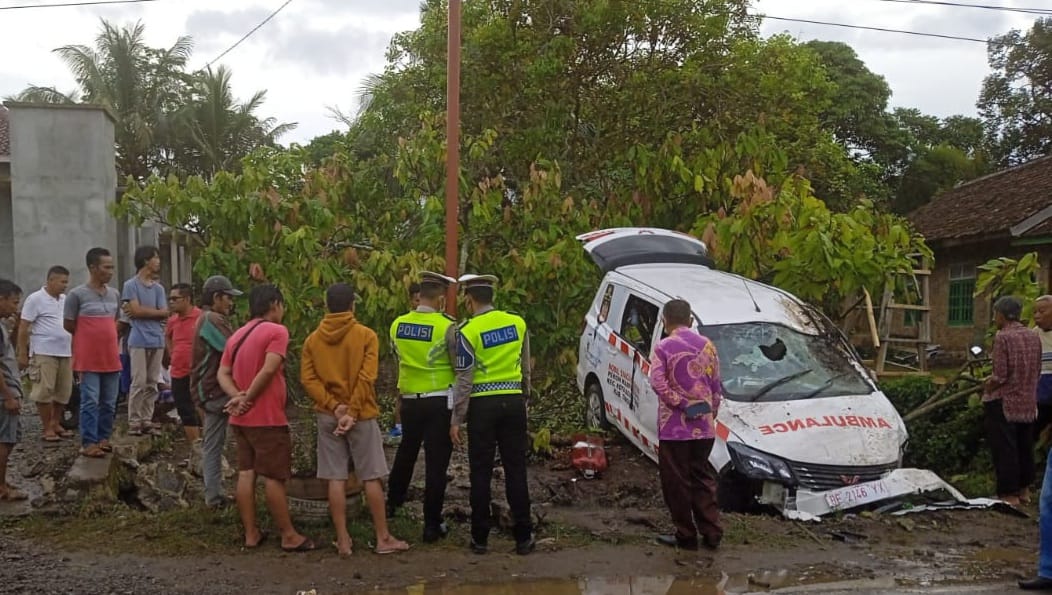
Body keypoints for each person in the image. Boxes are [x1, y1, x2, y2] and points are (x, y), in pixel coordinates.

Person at [301, 282, 409, 557]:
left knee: (335, 477)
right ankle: (382, 537)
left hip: (328, 416)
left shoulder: (312, 340)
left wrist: (334, 406)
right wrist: (351, 411)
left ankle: (344, 540)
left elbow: (308, 380)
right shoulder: (366, 335)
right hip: (361, 415)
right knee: (371, 475)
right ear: (352, 305)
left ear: (326, 306)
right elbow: (367, 377)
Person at [218, 284, 313, 552]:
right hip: (267, 417)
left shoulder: (237, 335)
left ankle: (251, 533)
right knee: (274, 477)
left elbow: (222, 373)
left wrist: (237, 396)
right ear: (274, 304)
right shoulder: (276, 331)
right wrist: (247, 399)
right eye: (282, 305)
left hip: (241, 420)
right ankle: (288, 534)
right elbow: (270, 368)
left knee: (246, 474)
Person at [450, 273, 534, 555]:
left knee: (481, 472)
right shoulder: (517, 322)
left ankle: (480, 538)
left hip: (482, 407)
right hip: (512, 403)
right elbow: (525, 367)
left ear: (470, 299)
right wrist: (525, 399)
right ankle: (523, 536)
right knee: (516, 470)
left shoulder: (468, 331)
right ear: (492, 297)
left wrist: (456, 418)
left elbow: (464, 378)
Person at [386, 272, 457, 543]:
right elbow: (456, 362)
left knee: (406, 451)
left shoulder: (398, 324)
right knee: (436, 462)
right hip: (439, 400)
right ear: (440, 296)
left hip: (409, 400)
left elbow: (397, 356)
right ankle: (431, 523)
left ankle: (393, 502)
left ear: (419, 296)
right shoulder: (447, 326)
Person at [647, 299, 723, 551]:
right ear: (690, 321)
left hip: (674, 430)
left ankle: (686, 535)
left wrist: (681, 404)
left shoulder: (663, 347)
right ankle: (712, 532)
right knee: (702, 478)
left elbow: (657, 382)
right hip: (704, 429)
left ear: (664, 321)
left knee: (676, 482)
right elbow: (716, 387)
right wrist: (709, 412)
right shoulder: (708, 347)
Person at [64, 248, 122, 459]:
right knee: (90, 400)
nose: (110, 271)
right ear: (92, 268)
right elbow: (69, 324)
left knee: (109, 401)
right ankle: (88, 442)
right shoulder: (77, 295)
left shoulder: (114, 294)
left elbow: (115, 321)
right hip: (88, 358)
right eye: (106, 267)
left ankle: (103, 437)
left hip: (111, 357)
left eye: (111, 267)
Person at [984, 295, 1041, 507]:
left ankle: (1009, 495)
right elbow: (1036, 370)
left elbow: (1000, 376)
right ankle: (1024, 491)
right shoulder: (1033, 336)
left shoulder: (1003, 337)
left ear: (1001, 315)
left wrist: (987, 385)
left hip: (1005, 403)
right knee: (1025, 446)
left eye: (995, 313)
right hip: (1027, 402)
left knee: (1005, 448)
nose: (994, 318)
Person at [191, 275, 241, 509]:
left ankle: (214, 495)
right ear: (216, 298)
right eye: (228, 298)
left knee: (214, 443)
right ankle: (216, 496)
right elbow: (233, 349)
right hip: (214, 390)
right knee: (220, 442)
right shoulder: (211, 319)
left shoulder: (207, 318)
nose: (231, 303)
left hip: (209, 390)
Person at [16, 266, 74, 442]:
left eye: (66, 282)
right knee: (44, 391)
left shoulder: (66, 300)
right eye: (62, 282)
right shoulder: (35, 299)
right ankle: (47, 426)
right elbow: (24, 326)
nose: (65, 285)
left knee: (63, 391)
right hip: (44, 351)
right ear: (51, 280)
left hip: (66, 351)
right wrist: (23, 353)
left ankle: (56, 422)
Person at [122, 246, 168, 436]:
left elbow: (164, 312)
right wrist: (152, 313)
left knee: (152, 382)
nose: (158, 261)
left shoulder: (158, 288)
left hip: (157, 339)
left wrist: (143, 312)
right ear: (145, 260)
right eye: (155, 258)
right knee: (138, 381)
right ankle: (134, 420)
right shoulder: (130, 285)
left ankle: (146, 419)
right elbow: (135, 311)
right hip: (138, 338)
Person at [165, 283, 202, 444]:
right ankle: (196, 448)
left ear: (187, 299)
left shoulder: (201, 317)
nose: (171, 302)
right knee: (184, 409)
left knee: (201, 407)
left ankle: (210, 446)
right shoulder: (172, 321)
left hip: (198, 371)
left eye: (175, 298)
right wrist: (172, 354)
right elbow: (167, 336)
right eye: (170, 299)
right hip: (178, 371)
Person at [0, 279, 26, 500]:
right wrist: (8, 395)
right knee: (5, 440)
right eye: (14, 302)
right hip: (4, 391)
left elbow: (8, 350)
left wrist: (16, 328)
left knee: (8, 439)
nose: (15, 307)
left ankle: (2, 480)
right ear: (2, 299)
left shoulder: (2, 325)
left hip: (10, 385)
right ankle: (1, 487)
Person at [387, 282, 423, 443]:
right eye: (416, 301)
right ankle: (399, 429)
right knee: (401, 398)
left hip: (426, 375)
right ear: (410, 301)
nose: (419, 304)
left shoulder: (436, 323)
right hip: (407, 371)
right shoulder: (401, 323)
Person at [1034, 295, 1052, 447]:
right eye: (1035, 312)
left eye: (1042, 311)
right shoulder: (1033, 335)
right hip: (1039, 397)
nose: (1037, 315)